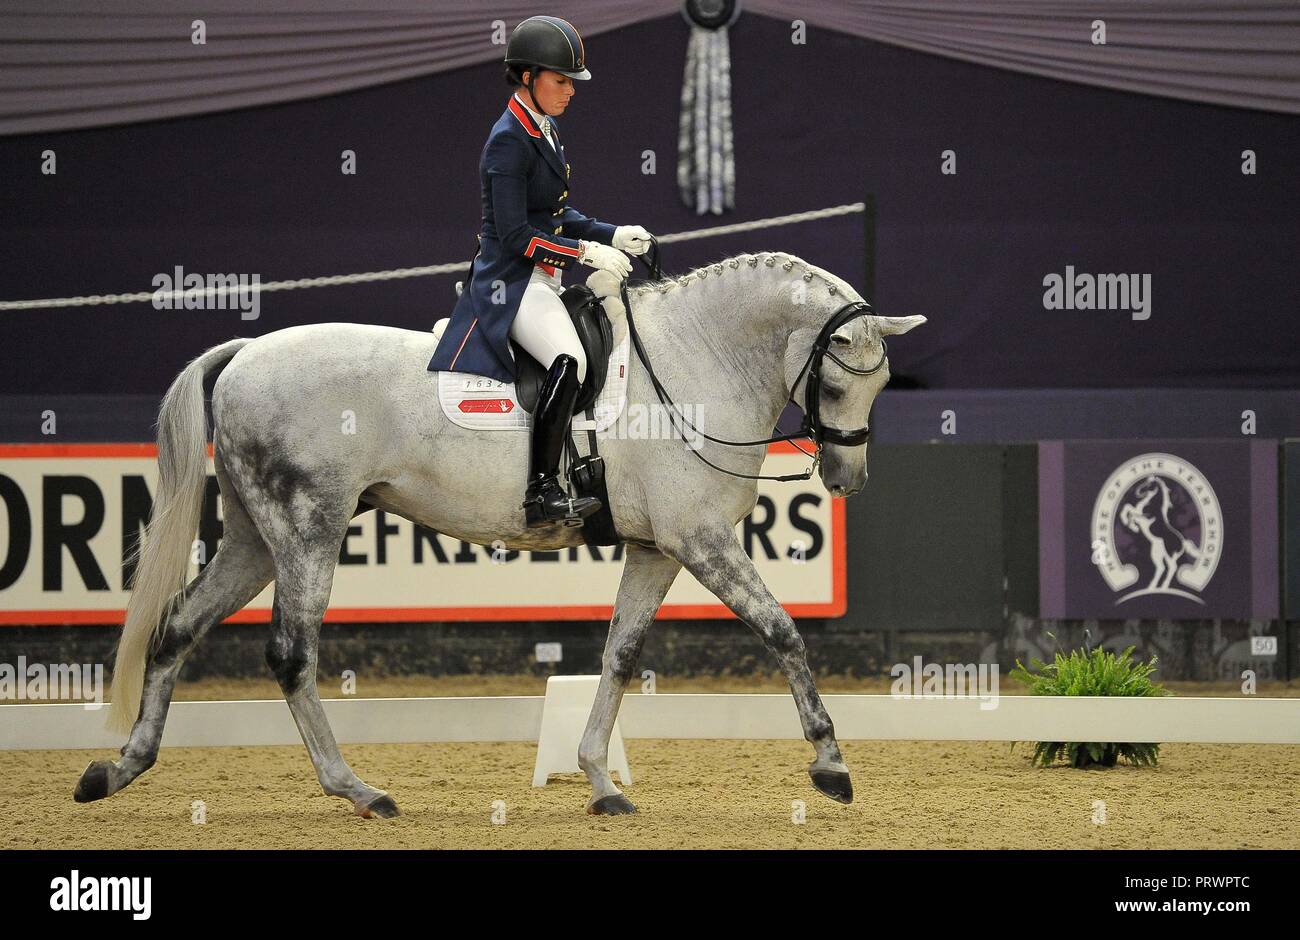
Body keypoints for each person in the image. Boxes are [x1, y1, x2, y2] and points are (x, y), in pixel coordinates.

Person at [428, 14, 654, 528]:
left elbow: (552, 215)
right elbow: (515, 235)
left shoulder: (542, 129)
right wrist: (584, 254)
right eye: (561, 80)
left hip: (542, 278)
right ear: (528, 77)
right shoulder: (508, 139)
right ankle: (542, 489)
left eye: (572, 81)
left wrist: (612, 234)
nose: (571, 91)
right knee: (568, 359)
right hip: (509, 282)